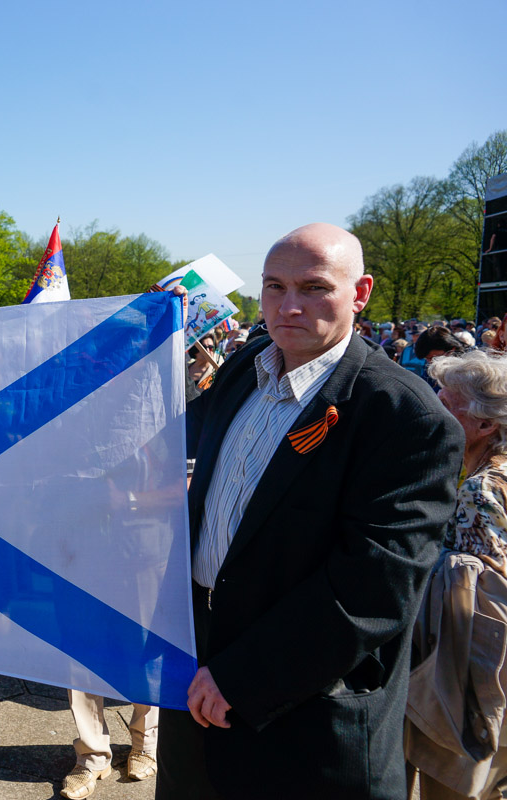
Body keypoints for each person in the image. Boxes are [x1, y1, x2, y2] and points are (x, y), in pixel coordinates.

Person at [155, 223, 462, 800]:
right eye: (274, 286)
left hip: (303, 717)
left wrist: (245, 676)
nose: (289, 306)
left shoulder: (402, 415)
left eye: (314, 287)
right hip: (195, 686)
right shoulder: (245, 367)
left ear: (360, 292)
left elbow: (375, 586)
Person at [405, 349, 507, 798]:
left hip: (466, 676)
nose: (431, 410)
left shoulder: (478, 490)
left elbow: (474, 596)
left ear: (486, 425)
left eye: (445, 405)